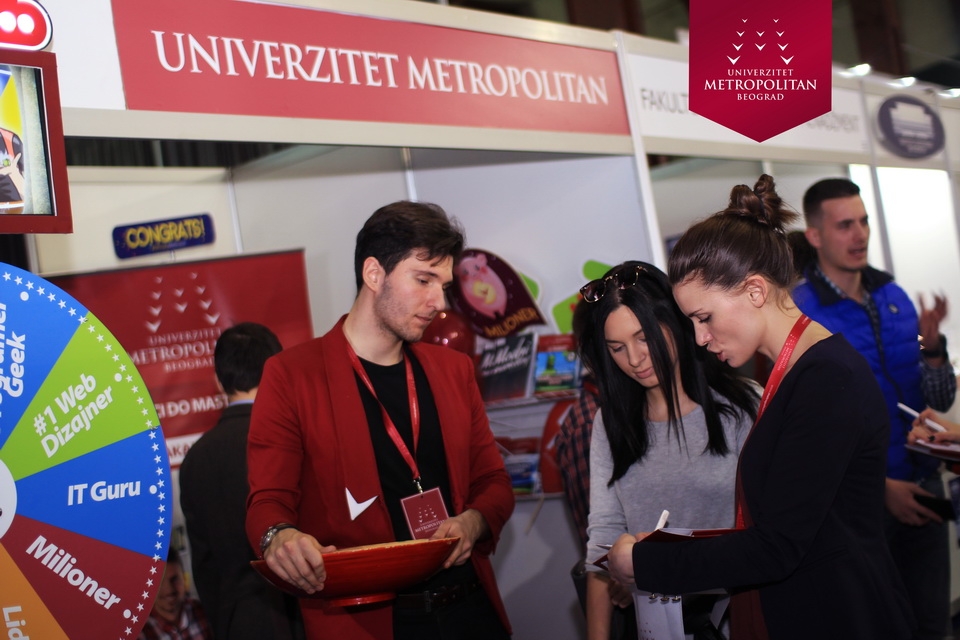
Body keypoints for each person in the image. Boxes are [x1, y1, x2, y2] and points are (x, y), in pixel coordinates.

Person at [605, 174, 915, 639]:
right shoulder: (797, 372)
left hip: (842, 615)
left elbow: (777, 547)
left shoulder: (825, 378)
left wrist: (646, 561)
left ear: (754, 291)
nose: (700, 338)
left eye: (704, 318)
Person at [245, 201, 514, 640]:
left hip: (467, 608)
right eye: (423, 280)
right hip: (370, 622)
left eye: (444, 285)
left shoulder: (453, 370)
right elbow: (267, 502)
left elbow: (494, 483)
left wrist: (474, 521)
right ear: (374, 274)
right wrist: (280, 536)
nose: (439, 303)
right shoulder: (293, 376)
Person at [792, 177, 956, 640]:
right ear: (815, 235)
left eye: (863, 222)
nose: (860, 234)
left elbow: (938, 399)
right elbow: (809, 433)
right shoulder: (800, 312)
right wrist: (882, 488)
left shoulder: (893, 295)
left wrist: (933, 349)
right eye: (845, 225)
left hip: (924, 483)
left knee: (933, 625)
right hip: (857, 501)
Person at [578, 260, 759, 640]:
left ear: (675, 323)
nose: (634, 359)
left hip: (740, 614)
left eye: (644, 338)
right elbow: (603, 537)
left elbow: (771, 530)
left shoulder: (742, 406)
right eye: (617, 348)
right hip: (656, 623)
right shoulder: (611, 423)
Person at [179, 322, 304, 640]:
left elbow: (204, 565)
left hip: (239, 622)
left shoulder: (195, 459)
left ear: (218, 381)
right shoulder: (295, 437)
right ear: (276, 370)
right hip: (305, 612)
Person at [139, 547, 213, 640]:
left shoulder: (202, 611)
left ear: (184, 578)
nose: (169, 590)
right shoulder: (141, 632)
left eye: (174, 579)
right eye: (159, 582)